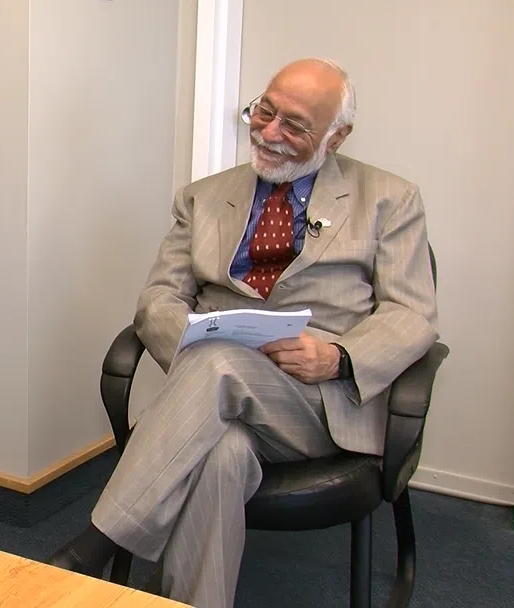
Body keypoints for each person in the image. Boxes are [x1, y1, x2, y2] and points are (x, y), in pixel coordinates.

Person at [48, 58, 438, 607]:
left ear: (336, 136)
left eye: (294, 125)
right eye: (264, 111)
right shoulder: (202, 198)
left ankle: (91, 550)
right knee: (221, 453)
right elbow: (158, 300)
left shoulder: (389, 199)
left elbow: (413, 313)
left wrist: (339, 356)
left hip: (319, 402)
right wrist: (193, 346)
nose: (269, 132)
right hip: (213, 393)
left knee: (218, 364)